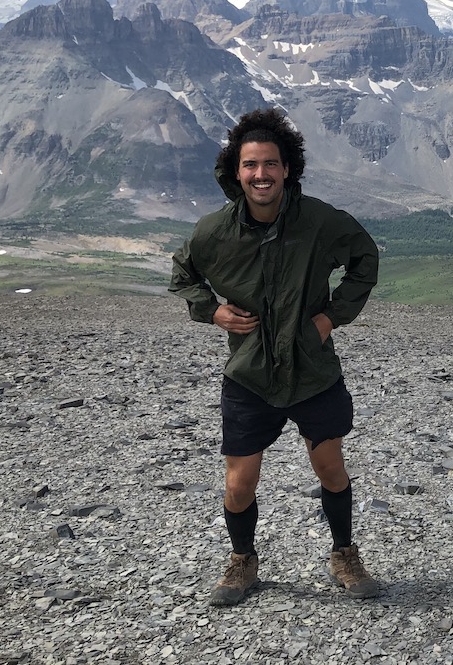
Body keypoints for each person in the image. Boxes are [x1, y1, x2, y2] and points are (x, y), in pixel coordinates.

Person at [170, 107, 380, 607]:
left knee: (330, 468)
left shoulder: (321, 222)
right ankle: (243, 560)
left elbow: (365, 260)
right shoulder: (213, 231)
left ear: (288, 169)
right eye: (250, 165)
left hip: (312, 370)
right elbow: (183, 276)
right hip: (250, 375)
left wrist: (330, 319)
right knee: (239, 483)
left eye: (270, 164)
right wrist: (212, 313)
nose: (260, 174)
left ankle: (344, 554)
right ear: (235, 171)